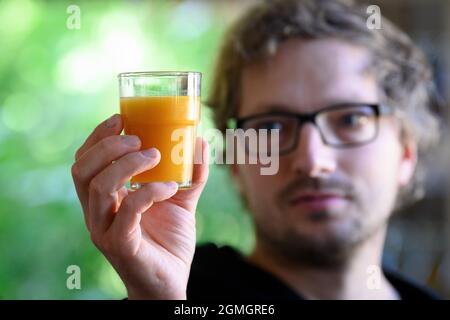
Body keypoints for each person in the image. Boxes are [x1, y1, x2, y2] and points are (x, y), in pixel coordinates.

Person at [71, 0, 442, 300]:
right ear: (234, 160)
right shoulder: (181, 293)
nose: (313, 162)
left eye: (351, 120)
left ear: (406, 152)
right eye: (271, 127)